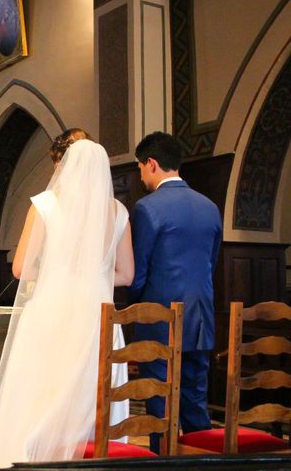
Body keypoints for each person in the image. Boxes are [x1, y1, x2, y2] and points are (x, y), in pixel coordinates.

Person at [0, 130, 134, 467]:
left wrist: (58, 271)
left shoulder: (46, 204)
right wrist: (92, 276)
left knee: (35, 405)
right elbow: (126, 276)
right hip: (100, 323)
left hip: (52, 320)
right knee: (90, 408)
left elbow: (22, 268)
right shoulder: (118, 212)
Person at [128, 131, 222, 453]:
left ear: (151, 164)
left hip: (159, 321)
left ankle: (162, 462)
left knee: (160, 411)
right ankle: (205, 462)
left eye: (140, 167)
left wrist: (130, 308)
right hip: (201, 319)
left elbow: (139, 272)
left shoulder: (147, 208)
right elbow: (211, 262)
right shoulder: (210, 207)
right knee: (196, 406)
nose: (141, 174)